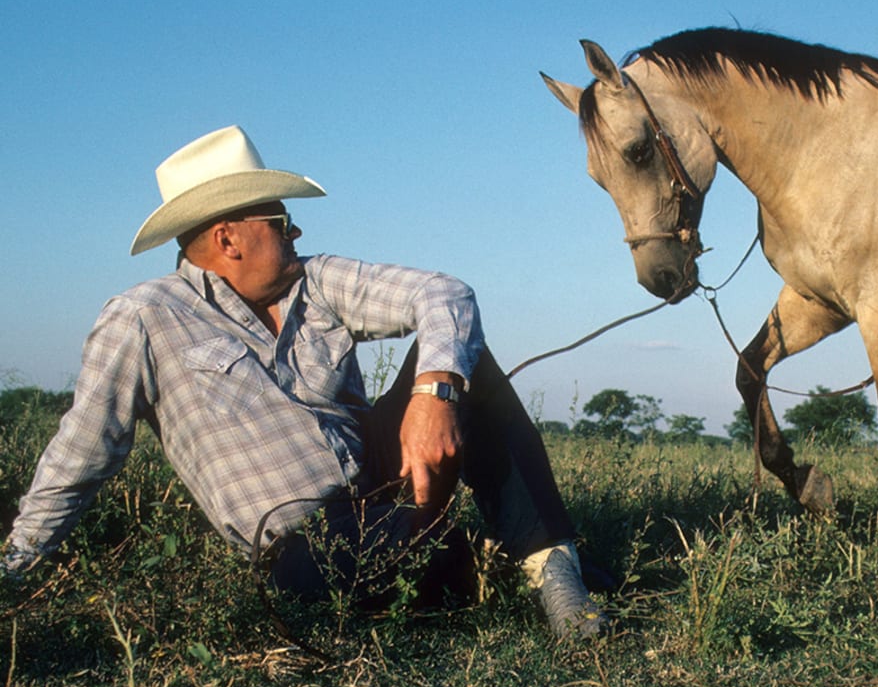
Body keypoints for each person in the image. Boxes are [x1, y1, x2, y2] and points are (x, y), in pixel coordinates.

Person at [1, 125, 608, 638]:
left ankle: (554, 572)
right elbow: (81, 453)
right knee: (375, 565)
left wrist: (434, 392)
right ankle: (451, 563)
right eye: (281, 220)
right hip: (303, 541)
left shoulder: (315, 282)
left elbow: (444, 292)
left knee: (459, 354)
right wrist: (15, 567)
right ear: (227, 238)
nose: (295, 234)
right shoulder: (145, 317)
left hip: (383, 487)